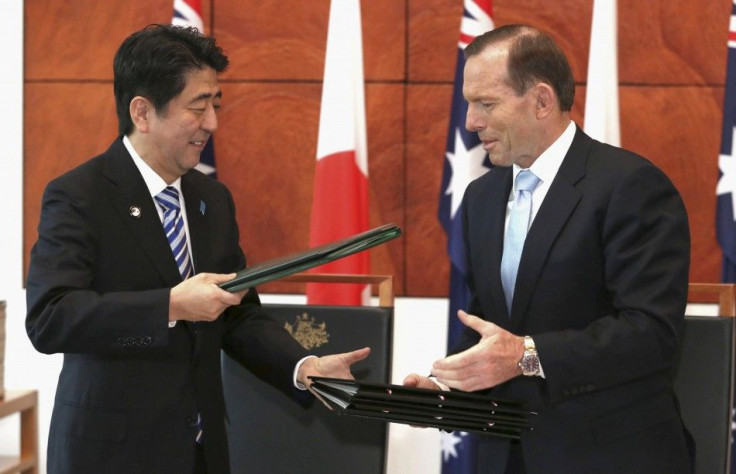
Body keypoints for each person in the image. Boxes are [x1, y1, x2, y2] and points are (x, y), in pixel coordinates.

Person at [25, 24, 370, 474]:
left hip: (202, 454)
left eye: (216, 104)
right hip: (110, 455)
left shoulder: (212, 199)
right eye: (198, 106)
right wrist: (170, 305)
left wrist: (304, 367)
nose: (213, 122)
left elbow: (238, 315)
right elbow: (51, 317)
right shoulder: (79, 195)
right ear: (143, 112)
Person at [404, 24, 693, 473]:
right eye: (468, 103)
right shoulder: (480, 200)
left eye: (486, 104)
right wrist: (448, 388)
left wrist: (526, 355)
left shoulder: (628, 185)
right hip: (506, 455)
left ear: (541, 101)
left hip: (608, 456)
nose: (470, 122)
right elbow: (490, 324)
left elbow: (651, 333)